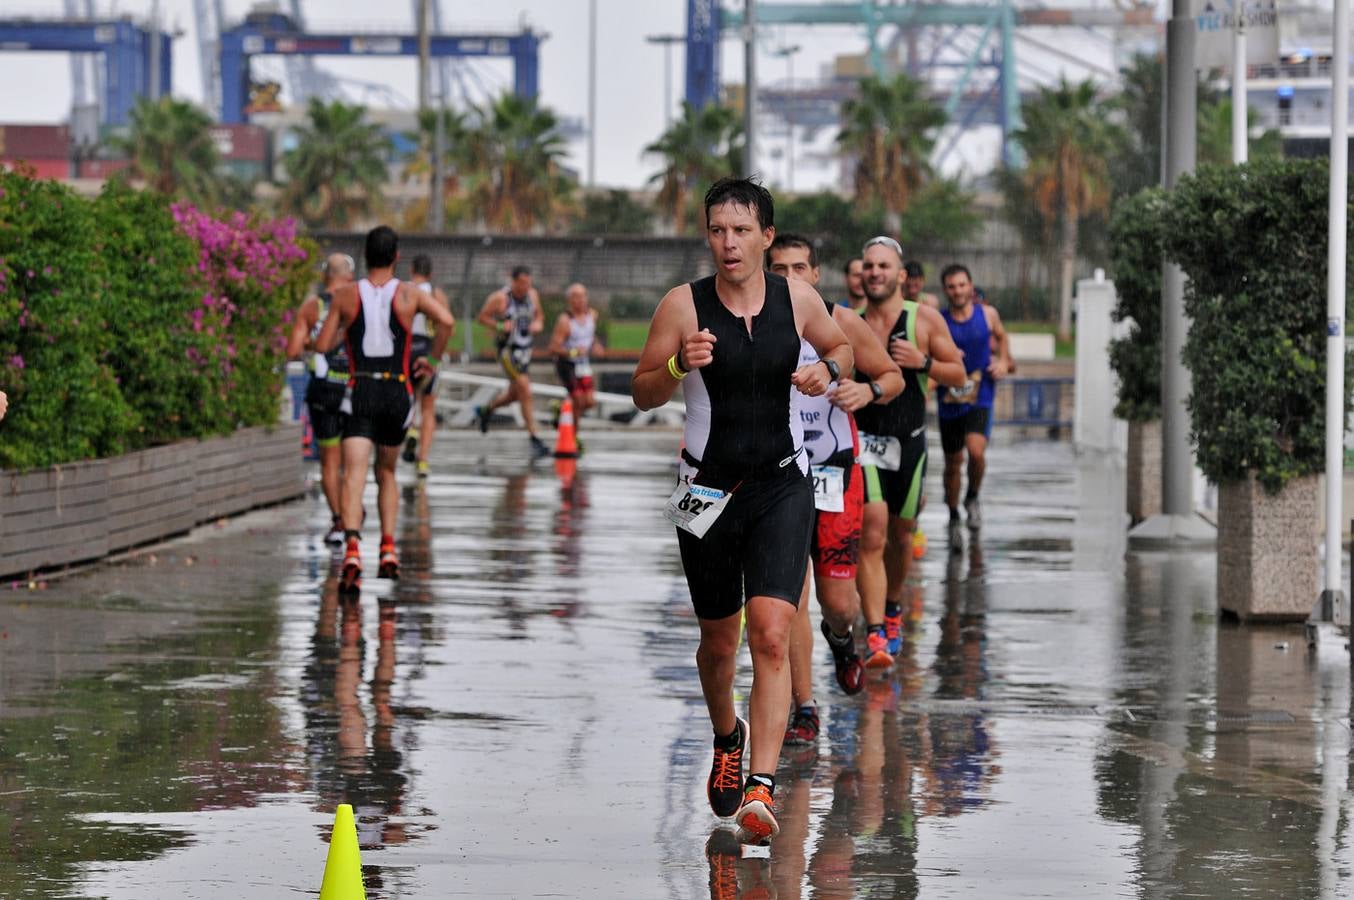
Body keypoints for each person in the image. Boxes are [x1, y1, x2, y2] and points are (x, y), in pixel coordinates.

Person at [632, 177, 853, 844]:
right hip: (704, 488)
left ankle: (761, 786)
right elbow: (642, 392)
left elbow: (839, 347)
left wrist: (830, 373)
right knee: (718, 644)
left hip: (783, 486)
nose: (727, 243)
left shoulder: (799, 298)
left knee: (771, 632)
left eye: (739, 231)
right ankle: (727, 734)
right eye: (717, 231)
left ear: (764, 235)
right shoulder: (683, 304)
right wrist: (676, 363)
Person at [767, 232, 903, 747]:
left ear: (816, 274)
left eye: (799, 268)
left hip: (833, 473)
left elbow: (892, 376)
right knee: (790, 599)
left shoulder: (840, 322)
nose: (789, 280)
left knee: (837, 602)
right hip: (780, 476)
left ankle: (843, 640)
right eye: (779, 269)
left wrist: (865, 389)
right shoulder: (754, 323)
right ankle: (805, 706)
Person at [314, 226, 455, 590]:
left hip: (360, 387)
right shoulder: (408, 295)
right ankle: (389, 549)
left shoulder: (346, 295)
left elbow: (323, 344)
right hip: (396, 390)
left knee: (354, 474)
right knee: (387, 473)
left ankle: (353, 548)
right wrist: (433, 361)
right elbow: (447, 322)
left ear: (364, 256)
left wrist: (342, 329)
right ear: (396, 257)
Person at [855, 237, 965, 666]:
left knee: (901, 536)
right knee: (873, 529)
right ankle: (876, 631)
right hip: (863, 442)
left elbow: (958, 375)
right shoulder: (853, 322)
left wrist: (922, 363)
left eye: (883, 266)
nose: (875, 272)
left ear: (901, 276)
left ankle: (893, 605)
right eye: (869, 266)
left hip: (909, 442)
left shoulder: (924, 319)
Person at [937, 263, 1013, 551]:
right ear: (946, 290)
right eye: (952, 286)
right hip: (950, 399)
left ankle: (973, 496)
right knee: (953, 463)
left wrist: (1002, 361)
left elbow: (1002, 337)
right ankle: (954, 515)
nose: (957, 291)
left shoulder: (987, 314)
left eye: (962, 285)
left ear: (971, 286)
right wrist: (946, 354)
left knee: (976, 451)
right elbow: (928, 347)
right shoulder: (940, 320)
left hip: (981, 394)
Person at [286, 252, 356, 544]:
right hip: (354, 388)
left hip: (322, 390)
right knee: (354, 461)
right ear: (348, 275)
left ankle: (339, 520)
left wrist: (312, 343)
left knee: (329, 460)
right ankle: (351, 513)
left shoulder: (312, 306)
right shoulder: (358, 301)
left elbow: (292, 351)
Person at [475, 265, 550, 458]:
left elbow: (540, 315)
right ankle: (535, 438)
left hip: (525, 350)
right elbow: (481, 318)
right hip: (507, 351)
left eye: (528, 283)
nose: (525, 287)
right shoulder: (500, 298)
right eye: (522, 283)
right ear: (513, 281)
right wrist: (500, 324)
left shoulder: (532, 296)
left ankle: (486, 410)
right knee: (524, 388)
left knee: (514, 395)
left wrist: (538, 324)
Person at [402, 254, 453, 478]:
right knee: (429, 406)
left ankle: (410, 429)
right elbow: (446, 323)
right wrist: (436, 356)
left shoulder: (403, 290)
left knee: (407, 397)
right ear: (431, 273)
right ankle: (423, 460)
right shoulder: (436, 294)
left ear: (412, 269)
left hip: (406, 349)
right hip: (428, 349)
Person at [548, 282, 603, 435]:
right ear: (569, 300)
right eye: (575, 297)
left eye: (582, 296)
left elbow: (589, 335)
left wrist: (596, 344)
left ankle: (561, 410)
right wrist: (573, 352)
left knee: (589, 402)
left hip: (583, 364)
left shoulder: (592, 315)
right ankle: (573, 437)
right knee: (578, 401)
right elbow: (553, 348)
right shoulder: (565, 321)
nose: (580, 300)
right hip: (566, 364)